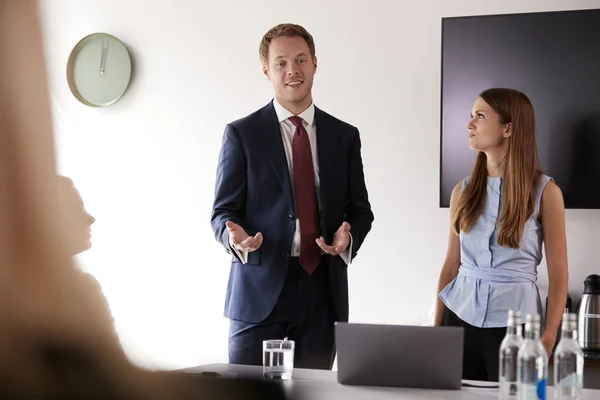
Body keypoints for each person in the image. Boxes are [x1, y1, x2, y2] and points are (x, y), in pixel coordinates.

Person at [211, 23, 374, 369]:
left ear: (315, 63)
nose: (292, 71)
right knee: (247, 393)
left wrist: (348, 238)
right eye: (281, 63)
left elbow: (360, 210)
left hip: (322, 290)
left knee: (313, 392)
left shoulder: (344, 136)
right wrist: (233, 235)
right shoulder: (242, 134)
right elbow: (223, 211)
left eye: (301, 60)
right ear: (267, 70)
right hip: (259, 287)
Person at [433, 88, 569, 381]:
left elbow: (559, 275)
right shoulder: (462, 191)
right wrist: (435, 330)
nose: (470, 124)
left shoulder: (546, 194)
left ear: (508, 128)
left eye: (480, 116)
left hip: (515, 325)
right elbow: (450, 266)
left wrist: (548, 340)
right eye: (471, 116)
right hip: (458, 317)